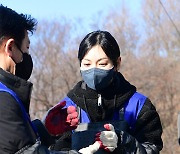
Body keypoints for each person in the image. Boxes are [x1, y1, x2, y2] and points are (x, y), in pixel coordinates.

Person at [44, 30, 163, 153]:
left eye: (102, 64)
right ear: (80, 65)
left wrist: (125, 142)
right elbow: (54, 148)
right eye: (87, 64)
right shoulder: (67, 109)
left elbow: (152, 148)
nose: (94, 70)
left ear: (117, 63)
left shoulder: (139, 105)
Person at [0, 5, 81, 154]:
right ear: (10, 47)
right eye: (26, 47)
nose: (27, 54)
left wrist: (43, 129)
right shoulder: (3, 98)